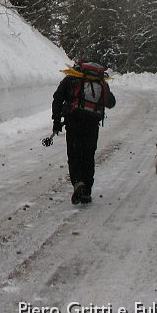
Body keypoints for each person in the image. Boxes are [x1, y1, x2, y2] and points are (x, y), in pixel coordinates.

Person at [51, 60, 116, 205]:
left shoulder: (71, 79)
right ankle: (87, 192)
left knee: (74, 155)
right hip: (92, 124)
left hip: (74, 122)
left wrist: (56, 121)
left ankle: (78, 183)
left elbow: (57, 99)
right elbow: (111, 102)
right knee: (88, 155)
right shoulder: (100, 82)